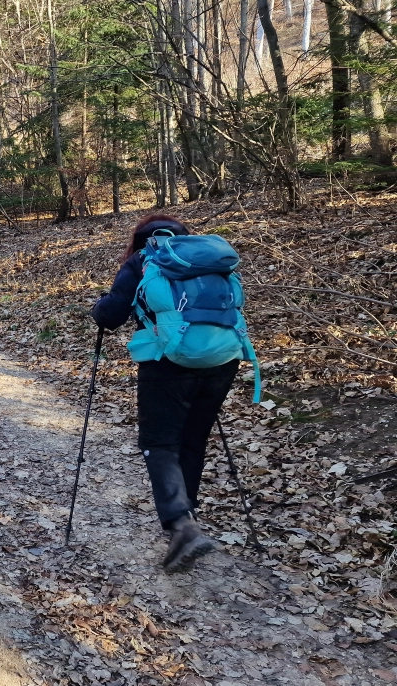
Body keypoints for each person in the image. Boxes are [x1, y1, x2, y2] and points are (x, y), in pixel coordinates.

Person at [92, 214, 241, 573]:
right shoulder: (208, 259)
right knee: (192, 442)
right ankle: (187, 520)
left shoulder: (144, 259)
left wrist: (98, 305)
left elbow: (111, 315)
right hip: (223, 359)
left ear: (139, 238)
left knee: (159, 444)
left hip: (168, 362)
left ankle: (181, 525)